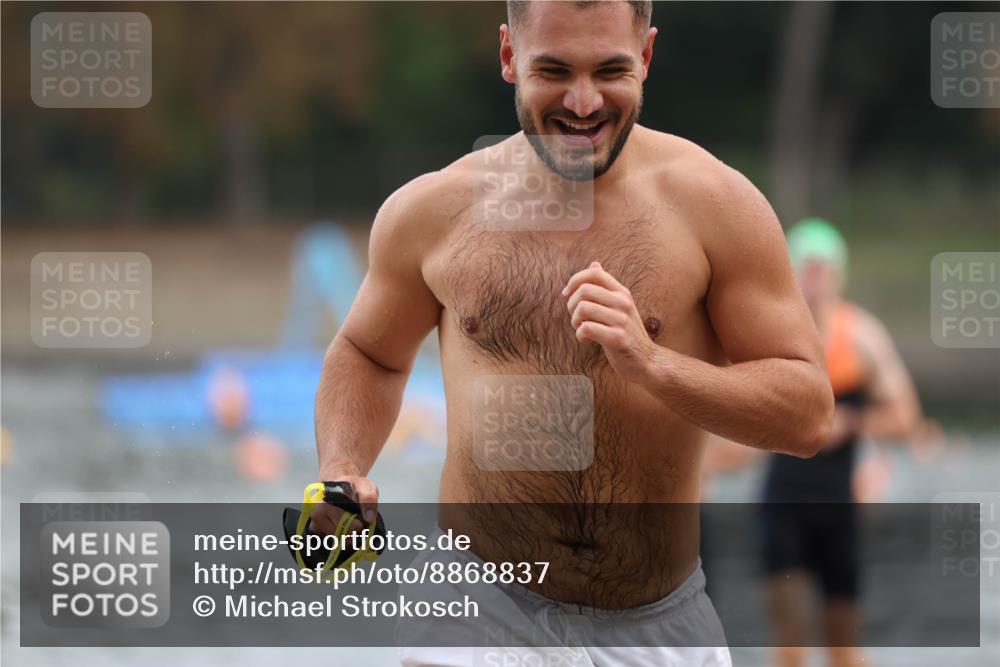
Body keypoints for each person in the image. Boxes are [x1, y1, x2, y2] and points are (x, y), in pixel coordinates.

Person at [311, 2, 833, 665]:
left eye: (610, 70)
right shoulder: (435, 210)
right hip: (477, 611)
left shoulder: (716, 206)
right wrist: (342, 468)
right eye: (554, 70)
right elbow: (368, 352)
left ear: (645, 56)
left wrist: (651, 362)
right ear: (508, 56)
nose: (583, 102)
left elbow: (808, 413)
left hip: (658, 623)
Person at [761, 218, 924, 667]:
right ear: (788, 271)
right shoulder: (768, 335)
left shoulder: (862, 337)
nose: (815, 278)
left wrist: (850, 423)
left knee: (844, 648)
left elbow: (906, 417)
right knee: (790, 640)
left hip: (838, 508)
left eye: (823, 268)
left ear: (840, 273)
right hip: (784, 504)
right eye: (806, 267)